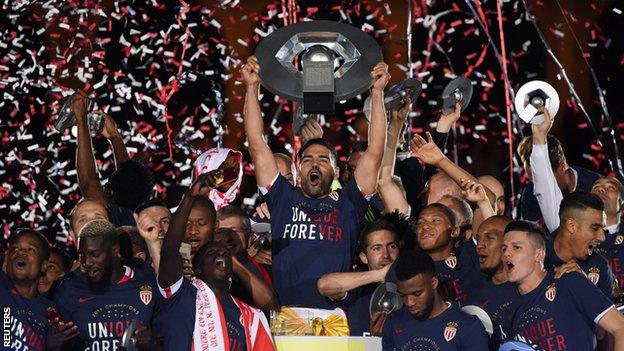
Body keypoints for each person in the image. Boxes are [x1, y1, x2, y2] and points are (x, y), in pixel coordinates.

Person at [240, 55, 389, 308]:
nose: (314, 163)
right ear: (298, 170)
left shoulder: (350, 202)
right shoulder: (282, 197)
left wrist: (377, 94)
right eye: (307, 159)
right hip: (285, 318)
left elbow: (375, 152)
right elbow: (256, 143)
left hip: (335, 320)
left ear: (335, 170)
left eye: (323, 159)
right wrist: (251, 88)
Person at [157, 176, 274, 351]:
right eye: (186, 224)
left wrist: (229, 260)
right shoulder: (176, 274)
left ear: (215, 226)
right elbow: (169, 253)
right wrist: (188, 197)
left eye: (201, 223)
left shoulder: (233, 262)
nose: (193, 231)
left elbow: (271, 306)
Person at [501, 220, 624, 349]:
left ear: (538, 254)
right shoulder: (508, 308)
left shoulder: (568, 282)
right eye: (504, 248)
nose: (506, 254)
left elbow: (620, 327)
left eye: (516, 247)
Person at [54, 219, 156, 350]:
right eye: (82, 255)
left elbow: (169, 337)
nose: (86, 262)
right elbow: (60, 341)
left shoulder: (147, 282)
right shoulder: (69, 290)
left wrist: (151, 342)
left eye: (94, 255)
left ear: (115, 250)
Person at [71, 91, 154, 230]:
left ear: (111, 194)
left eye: (107, 185)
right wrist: (114, 136)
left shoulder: (114, 218)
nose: (103, 187)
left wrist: (81, 120)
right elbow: (126, 175)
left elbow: (88, 181)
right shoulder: (140, 215)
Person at [317, 213, 408, 336]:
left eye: (392, 246)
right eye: (377, 248)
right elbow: (324, 285)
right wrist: (379, 275)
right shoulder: (356, 284)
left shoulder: (411, 283)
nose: (386, 254)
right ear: (364, 257)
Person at [381, 249, 488, 350]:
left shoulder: (468, 327)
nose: (409, 302)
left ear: (433, 283)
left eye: (417, 294)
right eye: (403, 295)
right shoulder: (393, 322)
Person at [2, 229, 78, 351]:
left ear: (44, 266)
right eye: (15, 249)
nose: (21, 252)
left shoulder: (54, 313)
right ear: (7, 260)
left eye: (31, 249)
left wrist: (49, 347)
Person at [409, 203, 486, 305]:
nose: (425, 226)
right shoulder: (410, 266)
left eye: (435, 220)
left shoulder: (468, 254)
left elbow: (486, 227)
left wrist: (482, 200)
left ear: (454, 231)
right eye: (420, 223)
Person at [466, 215, 517, 328]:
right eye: (478, 239)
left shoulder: (530, 286)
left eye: (488, 238)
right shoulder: (472, 289)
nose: (479, 245)